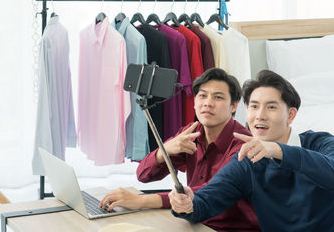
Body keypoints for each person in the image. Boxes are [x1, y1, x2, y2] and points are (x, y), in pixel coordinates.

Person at [169, 70, 334, 231]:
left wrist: (278, 150)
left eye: (271, 107)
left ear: (291, 115)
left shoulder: (321, 142)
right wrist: (186, 203)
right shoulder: (247, 163)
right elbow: (205, 202)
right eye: (254, 107)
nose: (259, 116)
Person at [100, 68, 260, 232]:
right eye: (202, 95)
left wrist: (141, 201)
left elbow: (209, 193)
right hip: (194, 223)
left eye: (218, 97)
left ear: (233, 106)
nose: (207, 103)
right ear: (194, 102)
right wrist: (164, 151)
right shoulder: (191, 133)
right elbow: (143, 175)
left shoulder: (244, 145)